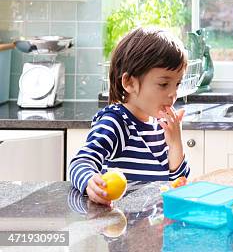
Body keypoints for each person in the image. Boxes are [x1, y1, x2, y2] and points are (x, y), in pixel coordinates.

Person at [69, 27, 190, 205]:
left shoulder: (160, 124)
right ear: (129, 83)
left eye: (177, 84)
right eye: (164, 84)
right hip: (120, 226)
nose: (173, 94)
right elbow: (80, 162)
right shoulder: (117, 122)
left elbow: (179, 186)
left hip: (153, 227)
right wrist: (89, 182)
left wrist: (175, 144)